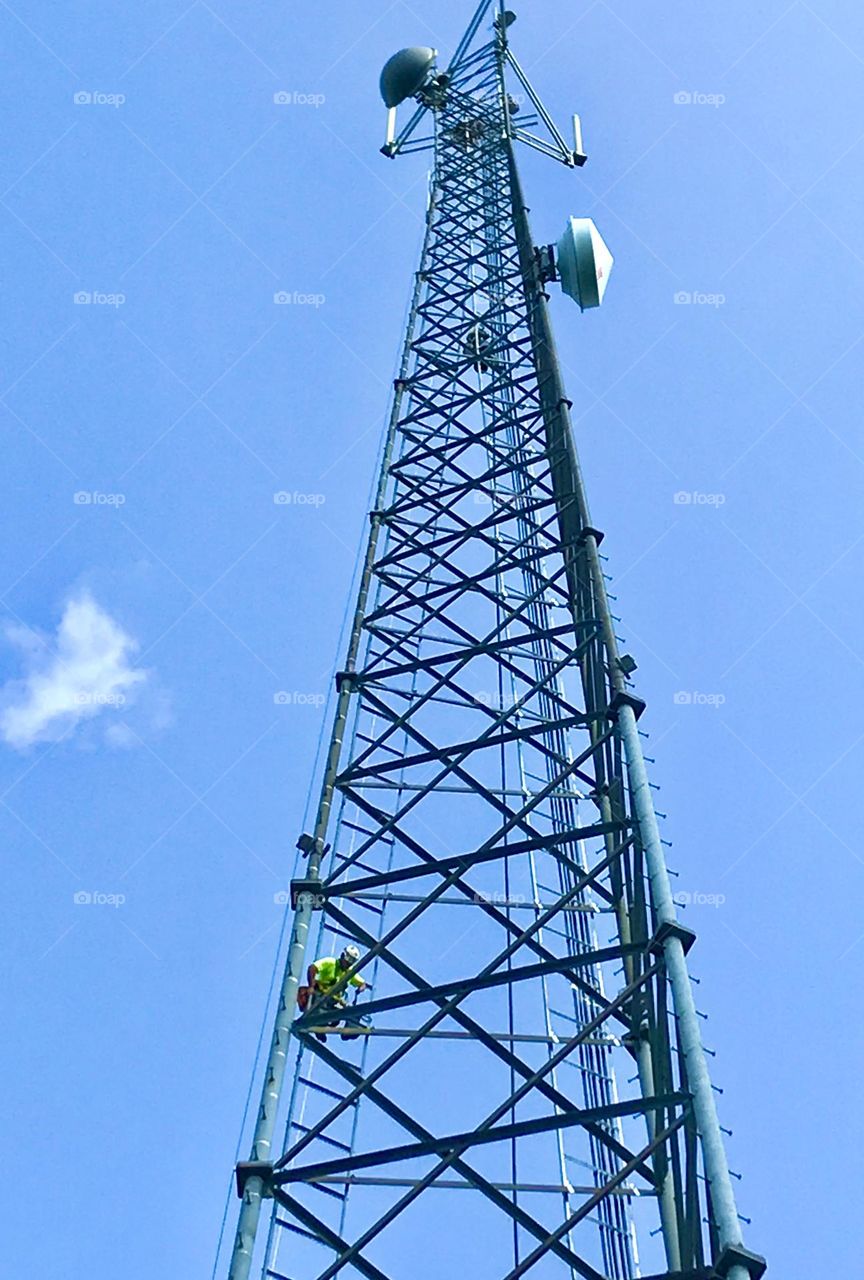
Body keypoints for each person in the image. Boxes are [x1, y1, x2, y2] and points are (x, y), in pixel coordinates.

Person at [297, 945, 368, 1041]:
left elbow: (362, 983)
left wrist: (361, 987)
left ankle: (349, 1032)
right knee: (319, 1010)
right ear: (343, 955)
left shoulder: (349, 972)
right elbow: (312, 968)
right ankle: (319, 1027)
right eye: (348, 959)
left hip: (334, 1001)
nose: (348, 963)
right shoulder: (331, 962)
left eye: (351, 961)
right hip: (320, 996)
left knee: (354, 1012)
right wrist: (311, 986)